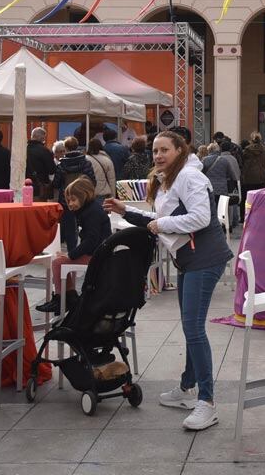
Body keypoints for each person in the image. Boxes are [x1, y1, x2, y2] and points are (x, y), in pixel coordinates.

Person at [105, 130, 232, 431]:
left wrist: (160, 223)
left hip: (204, 259)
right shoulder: (172, 178)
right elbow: (156, 220)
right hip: (189, 260)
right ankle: (187, 388)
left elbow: (200, 218)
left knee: (194, 328)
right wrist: (127, 210)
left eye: (164, 150)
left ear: (180, 150)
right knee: (191, 327)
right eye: (155, 150)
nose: (158, 155)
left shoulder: (189, 177)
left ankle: (207, 402)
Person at [36, 176, 111, 313]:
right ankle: (69, 296)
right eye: (68, 200)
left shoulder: (91, 212)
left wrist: (71, 255)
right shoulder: (90, 209)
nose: (70, 204)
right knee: (60, 261)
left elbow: (91, 241)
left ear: (84, 196)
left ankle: (60, 299)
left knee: (57, 263)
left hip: (98, 256)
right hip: (99, 253)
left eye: (73, 200)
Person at [54, 136, 96, 252]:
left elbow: (56, 184)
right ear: (77, 146)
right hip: (84, 199)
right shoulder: (86, 163)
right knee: (87, 225)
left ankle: (72, 252)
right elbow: (92, 181)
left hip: (67, 200)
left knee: (70, 228)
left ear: (66, 148)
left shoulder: (61, 165)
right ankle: (85, 250)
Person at [239, 132, 265, 215]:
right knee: (259, 199)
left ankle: (245, 216)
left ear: (251, 139)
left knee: (246, 198)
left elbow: (242, 163)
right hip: (260, 178)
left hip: (248, 178)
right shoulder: (264, 150)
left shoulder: (246, 150)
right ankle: (258, 215)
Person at [26, 127, 57, 200]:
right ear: (41, 137)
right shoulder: (44, 151)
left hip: (24, 187)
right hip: (39, 188)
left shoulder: (23, 149)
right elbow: (52, 170)